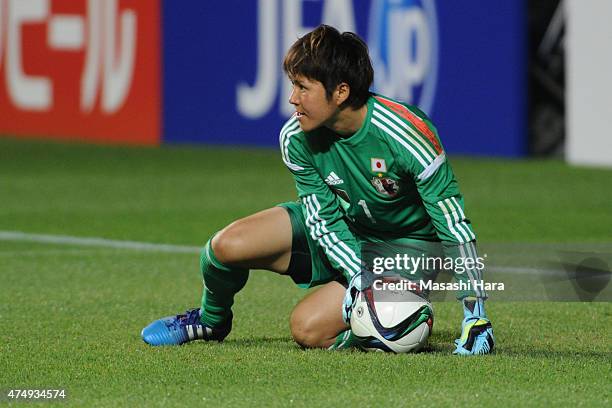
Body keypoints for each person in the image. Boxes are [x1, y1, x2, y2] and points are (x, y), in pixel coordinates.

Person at [141, 24, 495, 355]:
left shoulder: (407, 134)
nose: (293, 99)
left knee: (308, 330)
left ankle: (397, 324)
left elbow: (453, 225)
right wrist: (359, 276)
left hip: (405, 248)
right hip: (342, 230)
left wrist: (474, 313)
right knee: (225, 246)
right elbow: (322, 219)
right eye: (292, 85)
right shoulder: (295, 138)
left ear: (340, 91)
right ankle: (210, 322)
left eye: (303, 87)